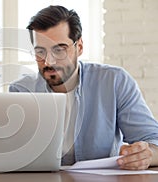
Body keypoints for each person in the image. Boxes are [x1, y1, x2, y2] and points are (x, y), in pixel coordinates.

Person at [9, 5, 158, 170]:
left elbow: (152, 139)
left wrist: (146, 155)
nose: (48, 62)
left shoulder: (114, 81)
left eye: (59, 50)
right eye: (40, 52)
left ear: (79, 47)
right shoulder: (20, 91)